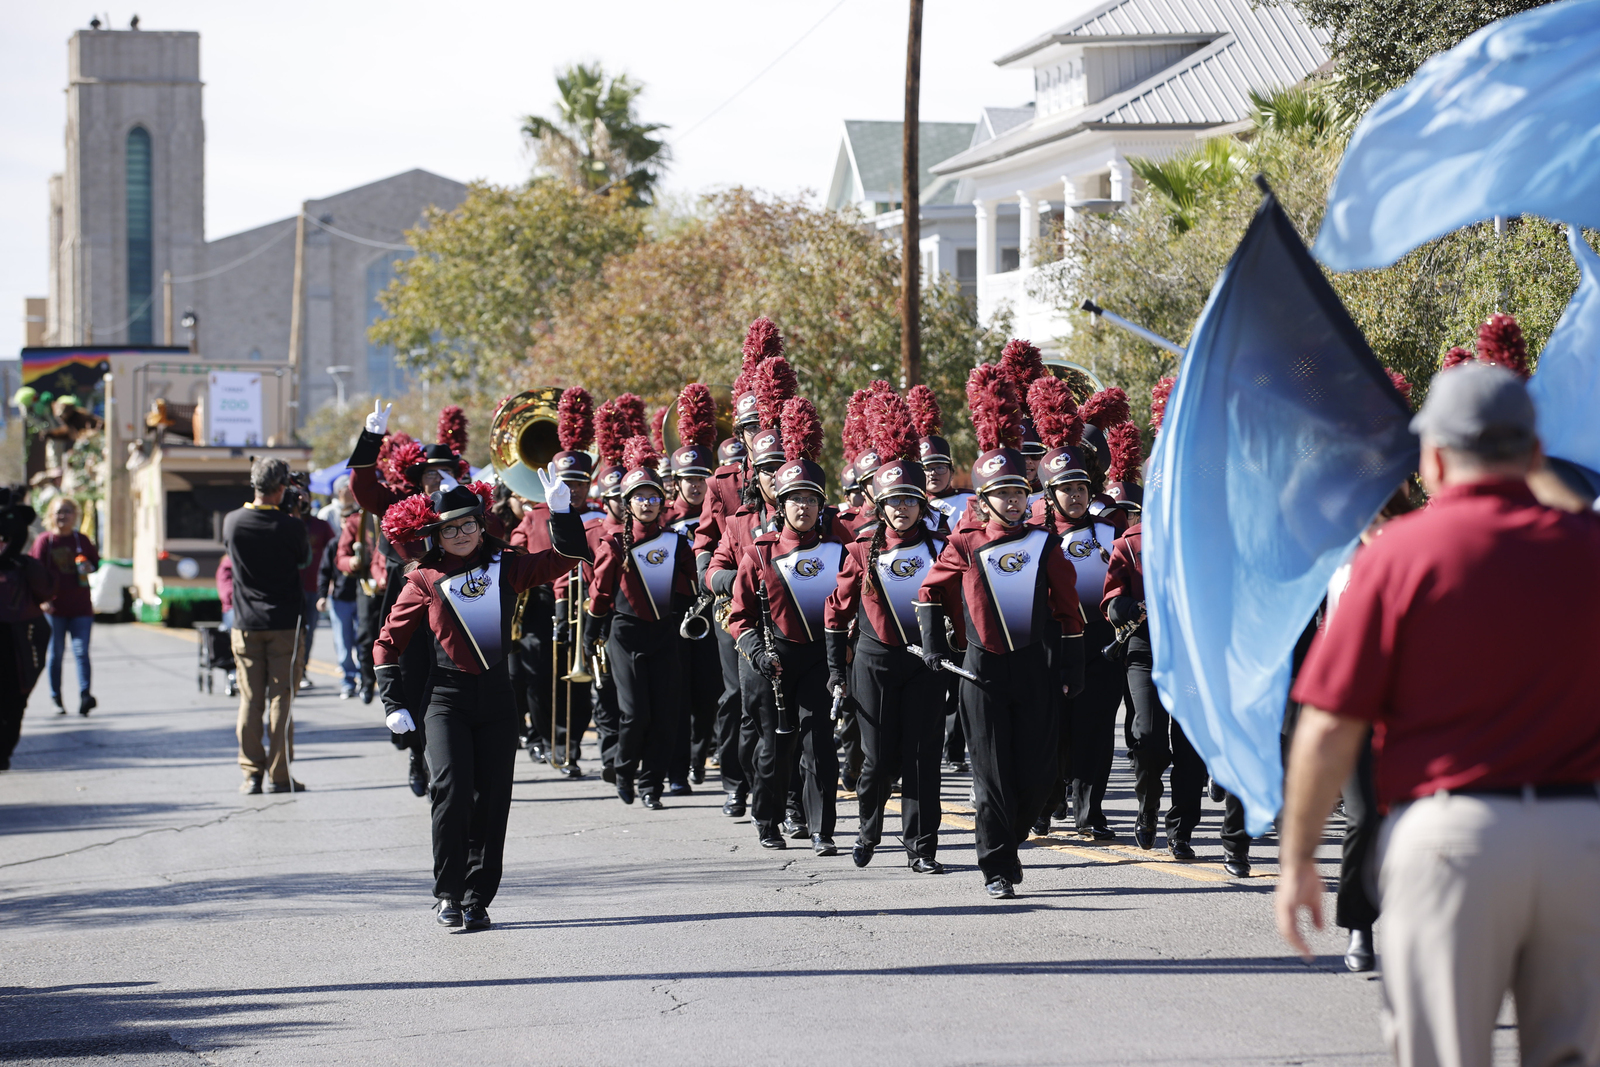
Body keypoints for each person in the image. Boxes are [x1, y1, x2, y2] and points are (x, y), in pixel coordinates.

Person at [1277, 364, 1600, 1067]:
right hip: (1582, 837)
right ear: (1535, 452)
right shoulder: (1589, 550)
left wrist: (1299, 855)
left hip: (1454, 837)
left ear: (1433, 458)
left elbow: (1330, 727)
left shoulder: (1398, 555)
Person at [375, 473, 590, 930]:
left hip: (497, 697)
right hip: (446, 699)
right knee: (451, 794)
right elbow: (387, 643)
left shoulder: (507, 564)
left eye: (468, 524)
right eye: (449, 528)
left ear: (480, 523)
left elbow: (566, 558)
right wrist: (393, 701)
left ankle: (478, 898)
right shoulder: (424, 578)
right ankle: (448, 894)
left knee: (493, 801)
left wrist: (563, 512)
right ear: (435, 534)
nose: (461, 535)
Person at [916, 364, 1085, 899]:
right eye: (1002, 494)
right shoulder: (963, 543)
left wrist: (1072, 668)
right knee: (989, 777)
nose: (1013, 501)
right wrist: (934, 643)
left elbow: (1068, 609)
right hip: (979, 670)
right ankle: (997, 868)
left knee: (1037, 778)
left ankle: (1009, 839)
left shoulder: (1044, 542)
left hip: (1034, 667)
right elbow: (927, 593)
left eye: (1019, 491)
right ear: (983, 499)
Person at [824, 404, 947, 873]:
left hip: (924, 665)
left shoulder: (941, 546)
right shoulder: (859, 548)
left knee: (921, 759)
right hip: (873, 664)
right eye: (893, 501)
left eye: (910, 500)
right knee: (876, 761)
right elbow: (835, 613)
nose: (901, 508)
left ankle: (922, 848)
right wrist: (837, 672)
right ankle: (867, 831)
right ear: (880, 504)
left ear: (922, 503)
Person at [728, 397, 845, 854]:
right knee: (774, 746)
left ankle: (822, 829)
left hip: (819, 658)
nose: (802, 507)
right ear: (781, 502)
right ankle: (767, 820)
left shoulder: (839, 549)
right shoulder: (759, 551)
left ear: (821, 505)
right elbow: (738, 615)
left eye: (810, 499)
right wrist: (758, 651)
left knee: (819, 746)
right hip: (772, 658)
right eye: (794, 498)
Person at [586, 440, 695, 809]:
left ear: (662, 501)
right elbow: (600, 592)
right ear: (628, 503)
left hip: (664, 634)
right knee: (635, 714)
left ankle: (652, 786)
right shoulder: (614, 544)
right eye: (639, 497)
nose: (647, 503)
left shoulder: (676, 543)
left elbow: (687, 588)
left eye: (653, 497)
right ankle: (623, 769)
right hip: (625, 634)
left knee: (666, 716)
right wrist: (590, 633)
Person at [222, 456, 311, 795]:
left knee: (250, 699)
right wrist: (297, 515)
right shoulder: (291, 526)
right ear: (280, 488)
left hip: (245, 623)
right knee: (281, 699)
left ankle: (250, 774)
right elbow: (303, 559)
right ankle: (279, 774)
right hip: (285, 624)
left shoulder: (232, 522)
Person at [0, 489, 53, 771]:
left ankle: (4, 750)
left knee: (13, 703)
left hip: (18, 645)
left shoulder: (24, 567)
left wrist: (26, 567)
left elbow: (45, 591)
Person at [31, 496, 99, 716]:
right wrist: (42, 600)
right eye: (59, 512)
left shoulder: (82, 540)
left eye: (67, 511)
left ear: (75, 515)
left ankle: (85, 696)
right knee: (56, 654)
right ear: (51, 516)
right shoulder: (45, 541)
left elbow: (95, 564)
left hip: (81, 607)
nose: (63, 516)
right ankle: (56, 697)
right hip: (54, 609)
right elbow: (34, 574)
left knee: (81, 652)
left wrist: (89, 566)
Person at [317, 520, 361, 699]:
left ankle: (364, 679)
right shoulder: (334, 544)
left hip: (362, 598)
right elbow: (324, 571)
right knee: (343, 643)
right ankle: (348, 681)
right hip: (340, 598)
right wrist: (321, 596)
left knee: (363, 641)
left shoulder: (364, 542)